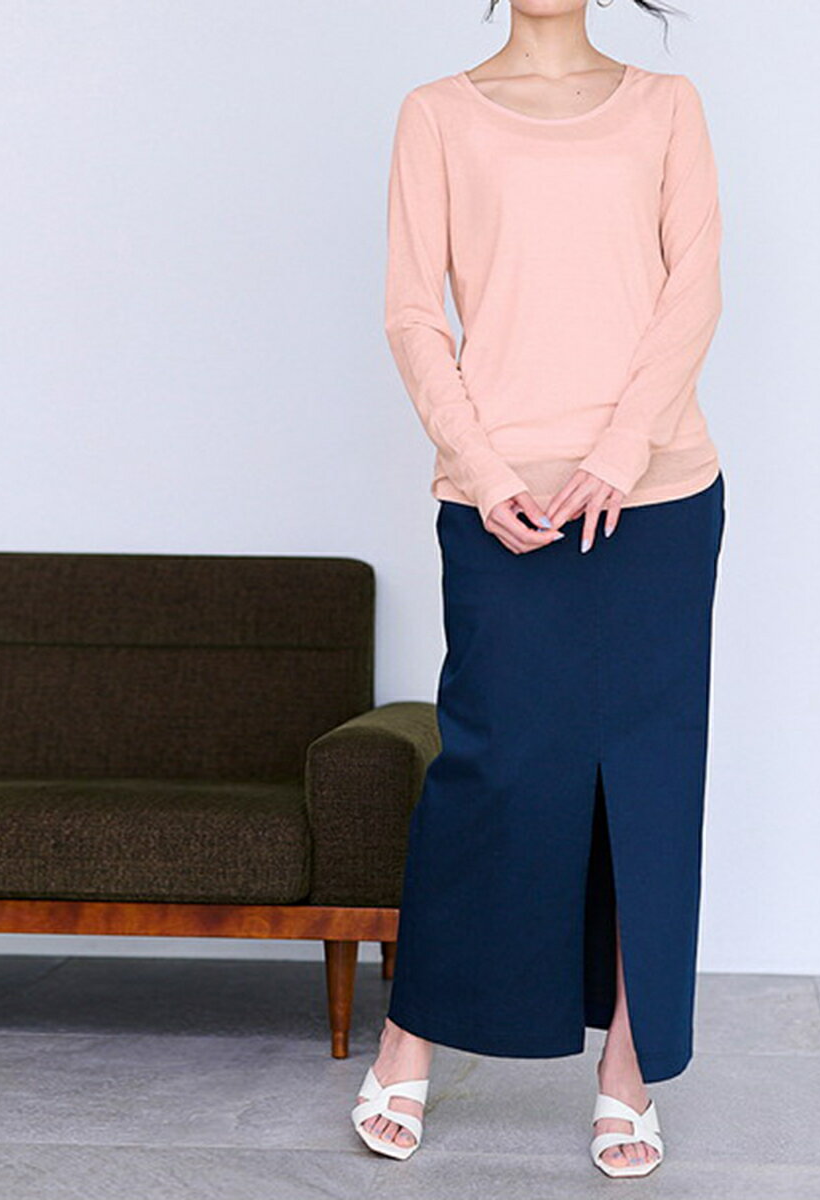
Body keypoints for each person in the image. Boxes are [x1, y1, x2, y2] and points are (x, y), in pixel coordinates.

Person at [352, 0, 726, 1178]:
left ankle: (628, 1068)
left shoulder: (667, 106)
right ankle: (411, 1036)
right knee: (492, 768)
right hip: (498, 501)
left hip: (657, 498)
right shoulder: (437, 114)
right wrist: (482, 468)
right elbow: (412, 312)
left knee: (647, 781)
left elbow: (694, 291)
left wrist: (620, 451)